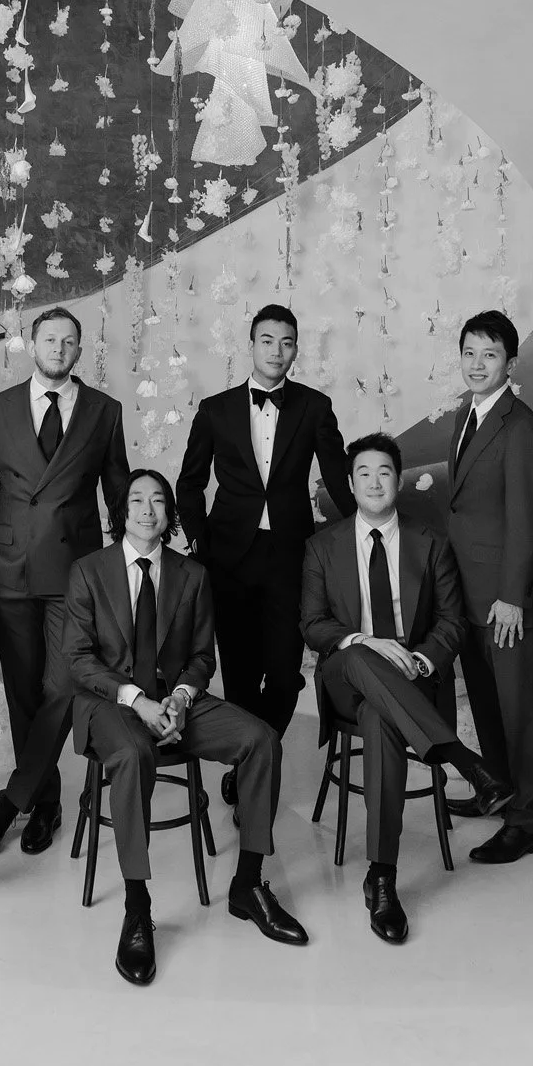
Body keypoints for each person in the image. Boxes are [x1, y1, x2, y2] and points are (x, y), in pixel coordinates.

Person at [65, 469, 308, 985]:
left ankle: (248, 884)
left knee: (260, 739)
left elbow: (201, 657)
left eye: (158, 501)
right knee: (133, 755)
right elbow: (78, 660)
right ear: (121, 511)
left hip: (176, 700)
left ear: (169, 513)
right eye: (136, 500)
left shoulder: (192, 574)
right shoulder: (89, 570)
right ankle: (136, 905)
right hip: (110, 703)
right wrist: (138, 701)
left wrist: (177, 698)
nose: (147, 510)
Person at [302, 433, 511, 943]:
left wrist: (421, 658)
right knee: (355, 653)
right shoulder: (322, 546)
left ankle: (382, 876)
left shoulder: (430, 541)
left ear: (398, 481)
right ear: (350, 485)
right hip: (347, 676)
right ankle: (463, 758)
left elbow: (453, 621)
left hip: (413, 680)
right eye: (364, 474)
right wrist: (365, 642)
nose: (375, 482)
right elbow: (312, 624)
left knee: (382, 720)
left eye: (385, 473)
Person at [0, 305, 129, 858]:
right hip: (8, 570)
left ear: (79, 351)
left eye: (69, 341)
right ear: (32, 347)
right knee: (23, 689)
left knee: (63, 686)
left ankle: (14, 799)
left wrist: (121, 566)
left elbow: (118, 493)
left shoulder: (105, 411)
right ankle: (49, 800)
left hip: (76, 570)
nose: (58, 348)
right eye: (49, 339)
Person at [176, 304, 355, 811]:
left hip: (291, 555)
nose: (278, 351)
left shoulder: (316, 407)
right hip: (229, 558)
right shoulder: (215, 409)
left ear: (296, 349)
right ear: (251, 345)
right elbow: (189, 485)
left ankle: (256, 749)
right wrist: (200, 544)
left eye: (287, 342)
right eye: (268, 341)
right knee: (236, 671)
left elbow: (339, 478)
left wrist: (361, 528)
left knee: (282, 672)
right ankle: (245, 762)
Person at [445, 310, 533, 864]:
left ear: (510, 362)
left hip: (508, 602)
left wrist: (512, 594)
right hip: (471, 596)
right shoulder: (469, 415)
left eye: (489, 355)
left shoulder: (521, 426)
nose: (476, 364)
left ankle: (527, 822)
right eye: (469, 353)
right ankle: (498, 791)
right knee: (487, 707)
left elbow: (529, 519)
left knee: (522, 712)